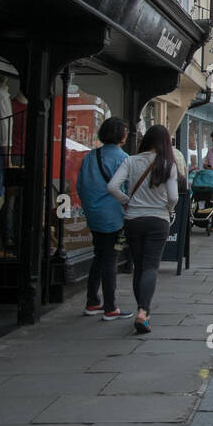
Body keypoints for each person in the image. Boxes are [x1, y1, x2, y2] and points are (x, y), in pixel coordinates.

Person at [107, 124, 179, 334]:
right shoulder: (168, 164)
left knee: (139, 266)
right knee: (150, 266)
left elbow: (112, 186)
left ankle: (142, 311)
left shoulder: (131, 160)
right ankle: (143, 311)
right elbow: (174, 197)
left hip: (133, 219)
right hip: (158, 219)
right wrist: (168, 209)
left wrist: (126, 201)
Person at [77, 117, 130, 320]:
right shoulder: (123, 158)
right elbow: (127, 187)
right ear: (121, 135)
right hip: (113, 215)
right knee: (110, 258)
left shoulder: (91, 156)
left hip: (93, 213)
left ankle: (92, 301)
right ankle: (110, 307)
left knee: (99, 255)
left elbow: (80, 186)